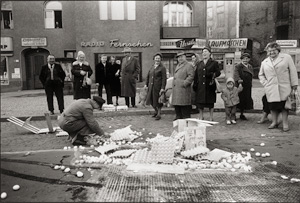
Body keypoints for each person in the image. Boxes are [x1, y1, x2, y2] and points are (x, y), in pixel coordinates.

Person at [259, 42, 298, 132]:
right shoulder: (265, 62)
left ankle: (285, 123)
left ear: (278, 50)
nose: (272, 52)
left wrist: (294, 84)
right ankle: (274, 122)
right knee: (272, 106)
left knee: (284, 106)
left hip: (284, 86)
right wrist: (265, 83)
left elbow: (293, 71)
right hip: (271, 88)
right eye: (270, 51)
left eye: (274, 50)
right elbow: (261, 75)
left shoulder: (286, 58)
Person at [193, 47, 221, 121]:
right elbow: (196, 75)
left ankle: (211, 117)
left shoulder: (214, 63)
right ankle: (201, 116)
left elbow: (218, 72)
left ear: (209, 53)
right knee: (200, 102)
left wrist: (213, 74)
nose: (204, 53)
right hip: (200, 86)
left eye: (206, 52)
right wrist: (195, 84)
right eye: (203, 52)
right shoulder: (199, 63)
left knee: (210, 102)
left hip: (210, 85)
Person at [172, 51, 194, 120]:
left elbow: (191, 76)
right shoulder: (178, 65)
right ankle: (178, 117)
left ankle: (185, 120)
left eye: (181, 57)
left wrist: (185, 83)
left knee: (184, 106)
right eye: (178, 57)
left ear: (185, 57)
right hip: (177, 89)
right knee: (177, 105)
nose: (180, 58)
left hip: (183, 89)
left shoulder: (188, 65)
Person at [145, 52, 167, 120]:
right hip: (151, 87)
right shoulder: (152, 67)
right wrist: (146, 84)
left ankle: (159, 114)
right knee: (151, 100)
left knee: (158, 100)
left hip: (158, 87)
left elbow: (164, 78)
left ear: (161, 59)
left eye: (159, 58)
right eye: (156, 58)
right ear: (154, 59)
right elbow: (148, 76)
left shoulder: (162, 68)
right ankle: (156, 111)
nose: (157, 60)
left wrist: (162, 88)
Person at [233, 52, 254, 120]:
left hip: (247, 86)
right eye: (243, 58)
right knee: (237, 99)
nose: (245, 60)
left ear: (249, 59)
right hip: (240, 85)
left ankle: (242, 113)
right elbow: (236, 75)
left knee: (245, 100)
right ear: (241, 59)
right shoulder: (238, 66)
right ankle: (233, 114)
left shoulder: (250, 66)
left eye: (247, 58)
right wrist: (240, 83)